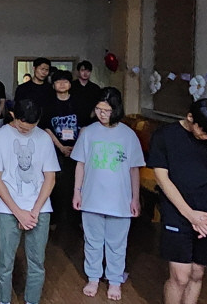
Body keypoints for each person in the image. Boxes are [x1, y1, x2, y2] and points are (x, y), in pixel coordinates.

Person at [147, 99, 207, 304]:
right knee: (180, 276)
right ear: (190, 117)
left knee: (197, 273)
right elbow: (162, 179)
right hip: (177, 213)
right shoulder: (165, 136)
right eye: (203, 131)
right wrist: (190, 215)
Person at [71, 87, 144, 300]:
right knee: (92, 241)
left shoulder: (128, 135)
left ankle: (114, 280)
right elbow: (80, 165)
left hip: (120, 200)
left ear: (117, 109)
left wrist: (135, 198)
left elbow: (134, 170)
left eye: (107, 110)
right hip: (91, 196)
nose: (102, 114)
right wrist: (77, 192)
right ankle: (93, 277)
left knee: (117, 243)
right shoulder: (88, 132)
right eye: (99, 109)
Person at [0, 99, 60, 304]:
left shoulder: (44, 138)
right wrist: (19, 213)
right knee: (5, 261)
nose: (27, 131)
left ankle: (32, 300)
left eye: (32, 127)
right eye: (22, 127)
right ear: (13, 115)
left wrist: (34, 211)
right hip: (7, 209)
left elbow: (50, 178)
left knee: (37, 262)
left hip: (39, 209)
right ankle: (4, 300)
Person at [42, 69, 86, 225]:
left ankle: (76, 218)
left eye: (65, 81)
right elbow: (46, 128)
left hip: (77, 150)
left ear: (70, 84)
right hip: (55, 150)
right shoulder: (48, 104)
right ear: (53, 85)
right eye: (58, 81)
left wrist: (76, 147)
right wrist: (60, 147)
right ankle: (54, 219)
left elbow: (83, 126)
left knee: (76, 182)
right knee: (55, 184)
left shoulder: (78, 102)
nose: (62, 84)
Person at [70, 60, 101, 127]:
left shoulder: (95, 88)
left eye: (88, 71)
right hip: (73, 120)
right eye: (83, 70)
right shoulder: (71, 86)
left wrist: (94, 112)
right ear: (78, 71)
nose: (85, 73)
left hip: (91, 121)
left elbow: (99, 103)